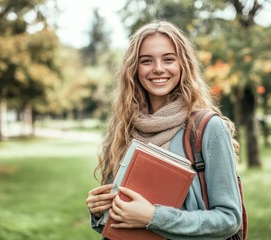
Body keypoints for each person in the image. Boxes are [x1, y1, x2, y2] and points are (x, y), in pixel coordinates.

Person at [86, 20, 242, 239]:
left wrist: (153, 216)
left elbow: (229, 220)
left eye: (168, 59)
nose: (158, 68)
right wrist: (100, 212)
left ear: (183, 65)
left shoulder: (207, 129)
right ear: (134, 69)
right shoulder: (123, 129)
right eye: (146, 61)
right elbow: (122, 221)